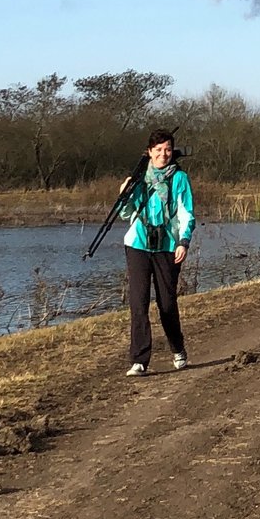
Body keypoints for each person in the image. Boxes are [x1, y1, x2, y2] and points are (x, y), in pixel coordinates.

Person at [114, 128, 195, 375]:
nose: (163, 154)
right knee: (138, 303)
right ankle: (139, 360)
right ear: (149, 152)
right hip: (138, 244)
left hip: (168, 246)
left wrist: (183, 241)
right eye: (158, 150)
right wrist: (124, 195)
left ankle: (177, 349)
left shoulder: (179, 179)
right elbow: (126, 214)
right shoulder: (139, 178)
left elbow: (186, 212)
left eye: (168, 150)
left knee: (167, 304)